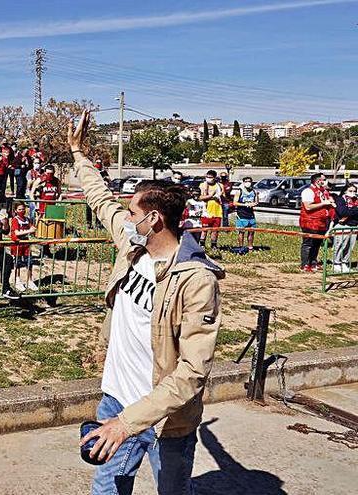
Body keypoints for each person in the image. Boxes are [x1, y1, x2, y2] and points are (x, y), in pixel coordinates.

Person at [68, 110, 223, 495]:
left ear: (153, 219)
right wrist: (78, 153)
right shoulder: (132, 246)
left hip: (164, 421)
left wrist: (130, 423)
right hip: (115, 399)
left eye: (133, 212)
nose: (126, 217)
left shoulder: (196, 280)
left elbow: (192, 371)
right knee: (105, 488)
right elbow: (100, 198)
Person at [299, 173, 335, 272]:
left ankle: (313, 262)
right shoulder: (308, 191)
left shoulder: (323, 192)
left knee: (317, 244)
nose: (326, 181)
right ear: (318, 181)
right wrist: (323, 203)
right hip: (310, 222)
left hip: (322, 222)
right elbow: (308, 206)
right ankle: (305, 264)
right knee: (308, 244)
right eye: (324, 179)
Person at [10, 202, 37, 292]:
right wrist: (29, 230)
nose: (22, 211)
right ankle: (17, 281)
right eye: (19, 209)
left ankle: (29, 280)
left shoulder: (27, 219)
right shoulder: (15, 220)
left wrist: (33, 229)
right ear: (16, 210)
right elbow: (17, 233)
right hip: (17, 243)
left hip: (26, 243)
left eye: (23, 209)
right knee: (17, 263)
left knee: (29, 262)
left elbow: (32, 228)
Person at [332, 183, 358, 273]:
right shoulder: (340, 200)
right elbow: (343, 212)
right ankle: (336, 263)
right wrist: (355, 210)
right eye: (350, 191)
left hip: (354, 225)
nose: (353, 193)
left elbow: (351, 213)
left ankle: (344, 262)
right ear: (345, 191)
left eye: (354, 191)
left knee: (350, 245)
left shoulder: (356, 201)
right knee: (340, 245)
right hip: (343, 226)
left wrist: (352, 211)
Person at [198, 170, 224, 249]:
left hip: (217, 210)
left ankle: (213, 245)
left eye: (210, 177)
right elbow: (200, 197)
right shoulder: (202, 185)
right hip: (206, 211)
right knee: (204, 229)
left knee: (215, 230)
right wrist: (211, 196)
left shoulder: (219, 185)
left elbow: (223, 196)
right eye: (207, 177)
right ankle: (202, 244)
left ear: (215, 177)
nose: (208, 178)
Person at [232, 176, 258, 251]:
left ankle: (250, 247)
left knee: (251, 232)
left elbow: (257, 201)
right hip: (241, 214)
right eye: (246, 181)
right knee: (241, 232)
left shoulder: (254, 191)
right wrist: (245, 204)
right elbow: (235, 203)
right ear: (243, 183)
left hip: (251, 215)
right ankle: (241, 247)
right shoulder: (239, 191)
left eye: (249, 181)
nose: (248, 183)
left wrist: (254, 204)